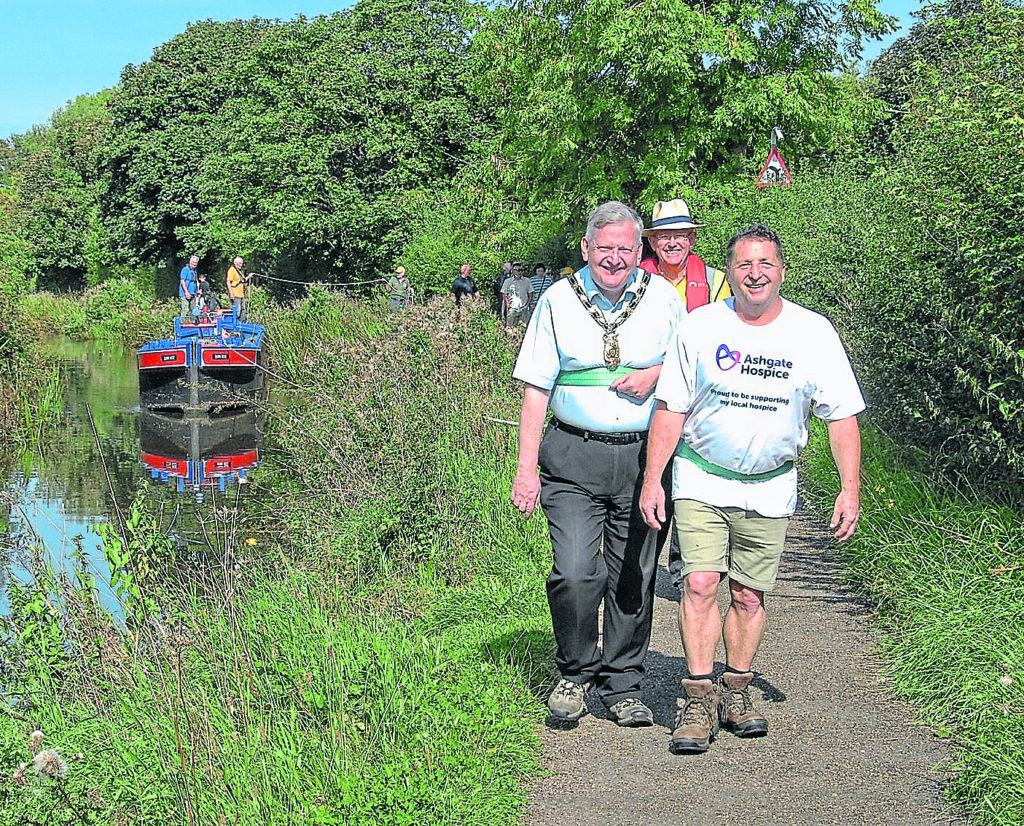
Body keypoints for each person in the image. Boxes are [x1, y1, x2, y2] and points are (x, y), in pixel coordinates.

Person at [638, 224, 864, 754]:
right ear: (729, 273)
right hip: (702, 474)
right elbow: (671, 407)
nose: (755, 273)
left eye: (765, 264)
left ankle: (736, 691)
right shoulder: (700, 327)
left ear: (782, 272)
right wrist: (654, 480)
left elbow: (842, 415)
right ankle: (697, 699)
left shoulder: (813, 333)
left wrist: (849, 488)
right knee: (698, 584)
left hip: (770, 485)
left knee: (747, 593)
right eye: (744, 264)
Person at [510, 201, 685, 726]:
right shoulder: (558, 301)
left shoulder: (663, 301)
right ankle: (574, 671)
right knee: (576, 572)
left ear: (641, 251)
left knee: (633, 575)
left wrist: (654, 374)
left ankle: (622, 683)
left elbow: (686, 368)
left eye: (625, 249)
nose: (614, 258)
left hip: (644, 458)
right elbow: (536, 388)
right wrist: (525, 470)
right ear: (586, 249)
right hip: (571, 457)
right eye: (604, 248)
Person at [641, 200, 733, 590]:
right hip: (645, 400)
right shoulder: (635, 278)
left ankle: (685, 569)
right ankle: (639, 570)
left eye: (680, 234)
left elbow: (728, 339)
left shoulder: (715, 282)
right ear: (654, 242)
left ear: (692, 239)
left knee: (692, 483)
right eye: (664, 235)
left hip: (700, 402)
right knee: (651, 476)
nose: (672, 242)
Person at [501, 262, 533, 328]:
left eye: (520, 270)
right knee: (510, 328)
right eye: (516, 270)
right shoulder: (507, 281)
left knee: (523, 328)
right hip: (513, 308)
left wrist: (527, 306)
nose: (518, 272)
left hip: (523, 308)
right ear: (512, 271)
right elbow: (505, 295)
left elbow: (530, 294)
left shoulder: (527, 281)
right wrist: (508, 306)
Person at [226, 256, 249, 322]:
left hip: (241, 294)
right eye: (240, 263)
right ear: (236, 263)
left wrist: (248, 277)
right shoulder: (232, 270)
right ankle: (234, 325)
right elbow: (228, 282)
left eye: (242, 263)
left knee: (243, 310)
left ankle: (242, 324)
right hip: (235, 294)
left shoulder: (239, 271)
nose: (241, 265)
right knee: (237, 311)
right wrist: (231, 293)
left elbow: (242, 281)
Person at [179, 255, 199, 320]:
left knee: (194, 310)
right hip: (185, 293)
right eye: (193, 262)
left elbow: (196, 281)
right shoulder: (185, 269)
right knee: (185, 309)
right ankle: (181, 325)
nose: (194, 264)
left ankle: (194, 324)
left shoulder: (194, 271)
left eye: (196, 263)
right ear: (190, 262)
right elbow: (182, 281)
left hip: (193, 293)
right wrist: (186, 292)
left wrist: (198, 291)